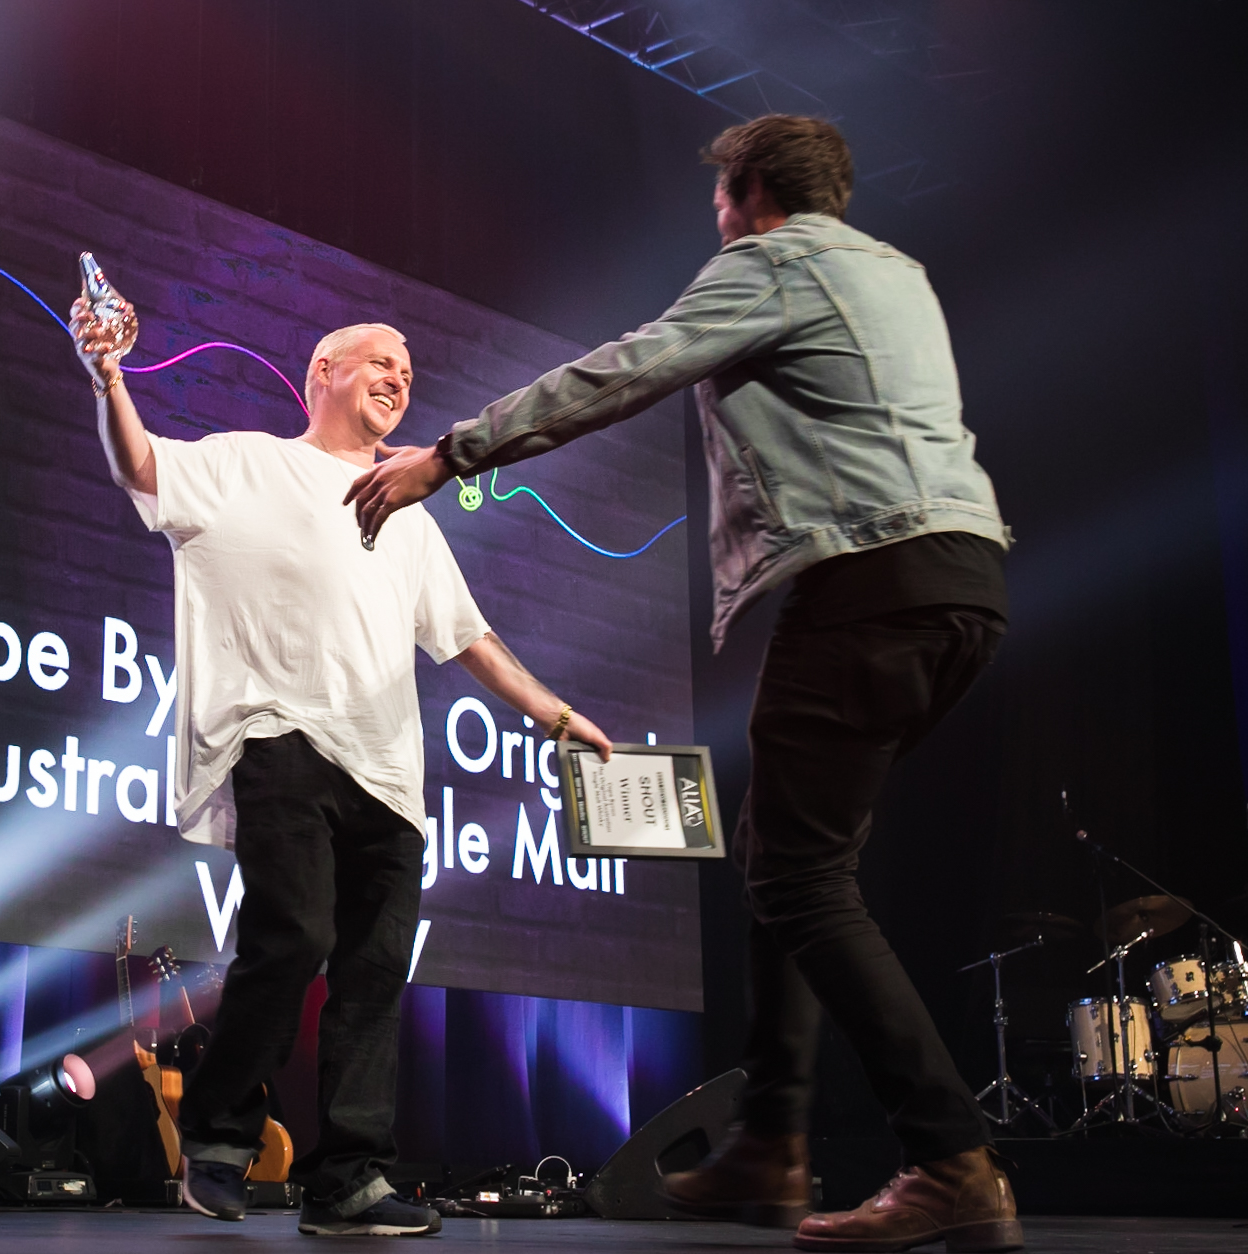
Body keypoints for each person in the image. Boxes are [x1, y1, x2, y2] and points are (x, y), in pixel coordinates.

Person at [346, 114, 1021, 1253]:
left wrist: (449, 455)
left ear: (748, 193)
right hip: (966, 583)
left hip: (866, 582)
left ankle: (949, 1158)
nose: (715, 216)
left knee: (799, 875)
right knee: (785, 857)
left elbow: (628, 370)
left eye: (720, 196)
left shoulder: (772, 261)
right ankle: (772, 1144)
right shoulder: (897, 274)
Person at [70, 302, 612, 1238]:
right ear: (322, 372)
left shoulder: (408, 507)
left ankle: (349, 1181)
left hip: (389, 773)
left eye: (408, 370)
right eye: (380, 361)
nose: (399, 377)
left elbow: (469, 637)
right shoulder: (249, 463)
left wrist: (555, 714)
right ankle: (219, 1137)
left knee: (374, 973)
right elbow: (142, 467)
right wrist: (108, 377)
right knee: (295, 934)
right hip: (278, 733)